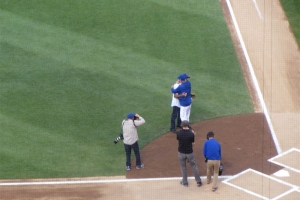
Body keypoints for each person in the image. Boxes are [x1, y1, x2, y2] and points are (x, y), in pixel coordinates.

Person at [176, 120, 202, 187]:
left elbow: (179, 140)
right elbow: (193, 143)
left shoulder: (178, 133)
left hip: (181, 152)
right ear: (188, 125)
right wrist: (193, 135)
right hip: (189, 152)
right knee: (194, 167)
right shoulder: (191, 134)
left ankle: (185, 182)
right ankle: (198, 181)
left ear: (182, 125)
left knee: (183, 167)